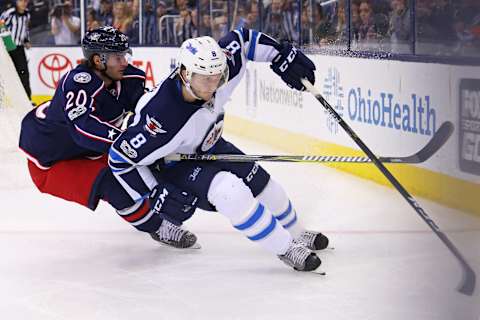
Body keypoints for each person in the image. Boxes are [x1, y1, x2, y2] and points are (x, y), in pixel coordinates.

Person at [108, 30, 330, 272]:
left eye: (218, 76)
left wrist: (280, 54)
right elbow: (119, 159)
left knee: (264, 184)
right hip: (175, 164)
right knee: (231, 193)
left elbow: (243, 39)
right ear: (185, 74)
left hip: (210, 143)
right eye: (206, 78)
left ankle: (297, 233)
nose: (214, 85)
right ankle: (286, 249)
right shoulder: (160, 118)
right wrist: (153, 192)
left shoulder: (217, 68)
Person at [19, 26, 146, 220]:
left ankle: (154, 210)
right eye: (117, 57)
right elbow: (84, 127)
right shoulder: (78, 83)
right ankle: (157, 227)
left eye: (124, 56)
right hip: (52, 159)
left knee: (144, 168)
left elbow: (150, 109)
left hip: (89, 150)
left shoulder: (130, 79)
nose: (124, 62)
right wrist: (127, 140)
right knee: (111, 184)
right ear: (98, 60)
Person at [0, 0, 32, 100]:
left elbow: (25, 29)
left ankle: (27, 99)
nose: (24, 3)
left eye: (26, 1)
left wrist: (26, 40)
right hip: (6, 49)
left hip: (19, 48)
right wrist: (7, 41)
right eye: (22, 1)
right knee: (4, 74)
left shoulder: (27, 14)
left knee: (23, 73)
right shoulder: (9, 13)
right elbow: (1, 25)